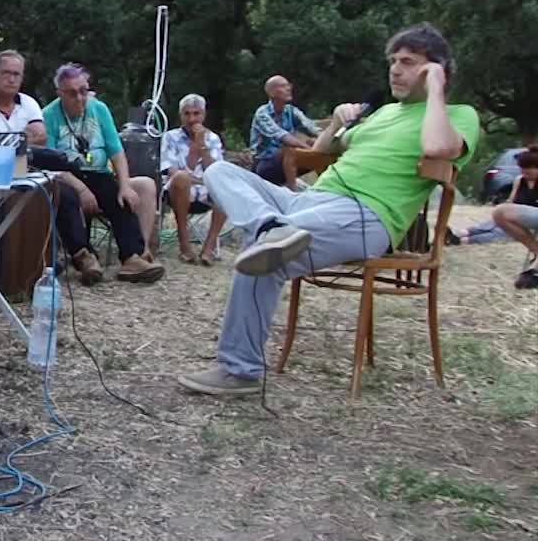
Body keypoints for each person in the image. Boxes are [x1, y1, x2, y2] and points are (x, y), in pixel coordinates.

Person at [178, 24, 479, 395]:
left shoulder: (459, 115)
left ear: (437, 71)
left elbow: (436, 147)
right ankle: (272, 225)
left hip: (364, 215)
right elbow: (321, 151)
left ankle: (240, 371)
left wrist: (435, 89)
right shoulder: (384, 114)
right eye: (393, 61)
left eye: (409, 62)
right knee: (220, 171)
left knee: (262, 253)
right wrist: (337, 121)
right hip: (309, 200)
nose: (395, 69)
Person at [0, 50, 104, 283]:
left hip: (30, 173)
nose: (12, 79)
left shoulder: (28, 103)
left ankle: (80, 255)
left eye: (17, 74)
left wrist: (5, 140)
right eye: (6, 73)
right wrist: (20, 140)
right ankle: (13, 263)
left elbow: (40, 138)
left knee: (64, 193)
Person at [42, 63, 164, 283]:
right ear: (60, 93)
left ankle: (132, 258)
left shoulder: (99, 109)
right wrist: (81, 189)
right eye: (72, 93)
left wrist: (125, 185)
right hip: (66, 174)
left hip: (97, 172)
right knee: (67, 196)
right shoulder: (48, 115)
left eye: (83, 91)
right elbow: (50, 163)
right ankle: (84, 257)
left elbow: (116, 152)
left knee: (118, 195)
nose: (79, 98)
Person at [160, 94, 227, 264]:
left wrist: (201, 146)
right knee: (181, 178)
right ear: (180, 115)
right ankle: (184, 244)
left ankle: (209, 247)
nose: (192, 119)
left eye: (196, 114)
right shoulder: (170, 137)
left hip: (206, 193)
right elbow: (172, 172)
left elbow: (215, 171)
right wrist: (192, 150)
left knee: (226, 186)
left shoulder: (213, 139)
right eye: (187, 114)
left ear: (203, 115)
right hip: (177, 192)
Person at [249, 75, 319, 185]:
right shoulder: (262, 114)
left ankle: (327, 189)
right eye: (283, 86)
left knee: (321, 153)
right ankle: (292, 193)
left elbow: (312, 128)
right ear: (271, 93)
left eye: (288, 85)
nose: (288, 89)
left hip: (286, 163)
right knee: (290, 150)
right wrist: (310, 150)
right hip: (264, 165)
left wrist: (324, 140)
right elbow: (283, 137)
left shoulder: (292, 111)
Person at [488, 146, 538, 277]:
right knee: (497, 215)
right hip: (527, 216)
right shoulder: (519, 181)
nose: (525, 172)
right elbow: (511, 201)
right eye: (522, 168)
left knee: (500, 213)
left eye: (530, 168)